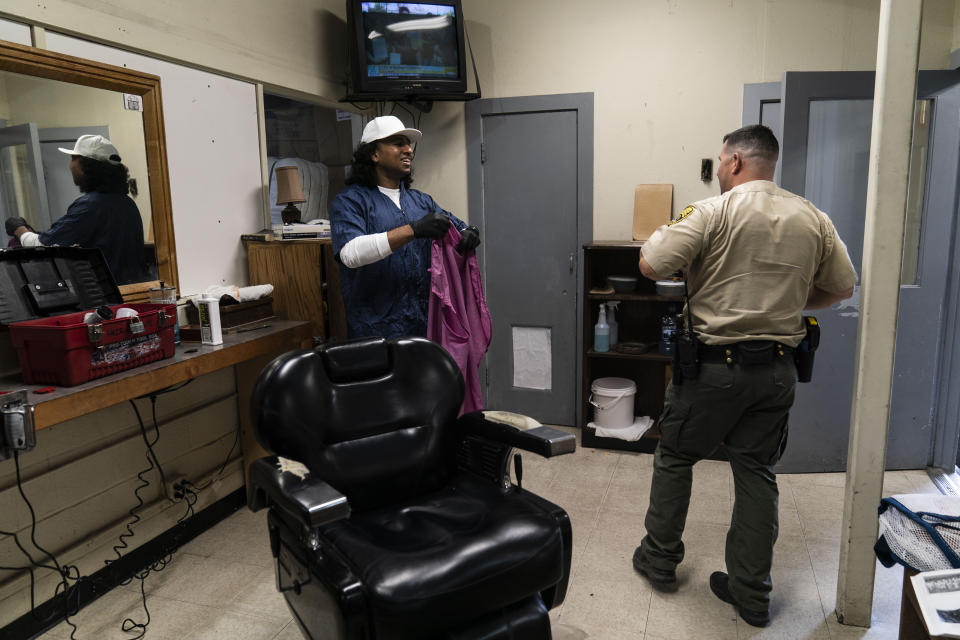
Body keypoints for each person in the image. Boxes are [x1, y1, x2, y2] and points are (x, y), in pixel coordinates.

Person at [632, 125, 857, 627]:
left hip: (712, 369)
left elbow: (649, 264)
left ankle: (660, 559)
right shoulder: (813, 217)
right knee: (755, 471)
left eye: (720, 162)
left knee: (675, 456)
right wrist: (787, 301)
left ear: (733, 162)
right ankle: (751, 592)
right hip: (777, 370)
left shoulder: (709, 212)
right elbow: (843, 288)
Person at [330, 115, 479, 339]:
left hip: (422, 325)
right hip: (375, 329)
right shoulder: (350, 201)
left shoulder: (421, 202)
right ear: (374, 154)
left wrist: (469, 232)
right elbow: (350, 253)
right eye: (398, 143)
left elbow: (457, 227)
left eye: (409, 144)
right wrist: (413, 230)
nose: (408, 150)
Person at [5, 134, 146, 285]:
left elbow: (42, 246)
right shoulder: (127, 203)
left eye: (74, 159)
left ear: (88, 166)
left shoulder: (90, 206)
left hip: (107, 295)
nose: (70, 165)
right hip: (133, 291)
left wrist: (19, 229)